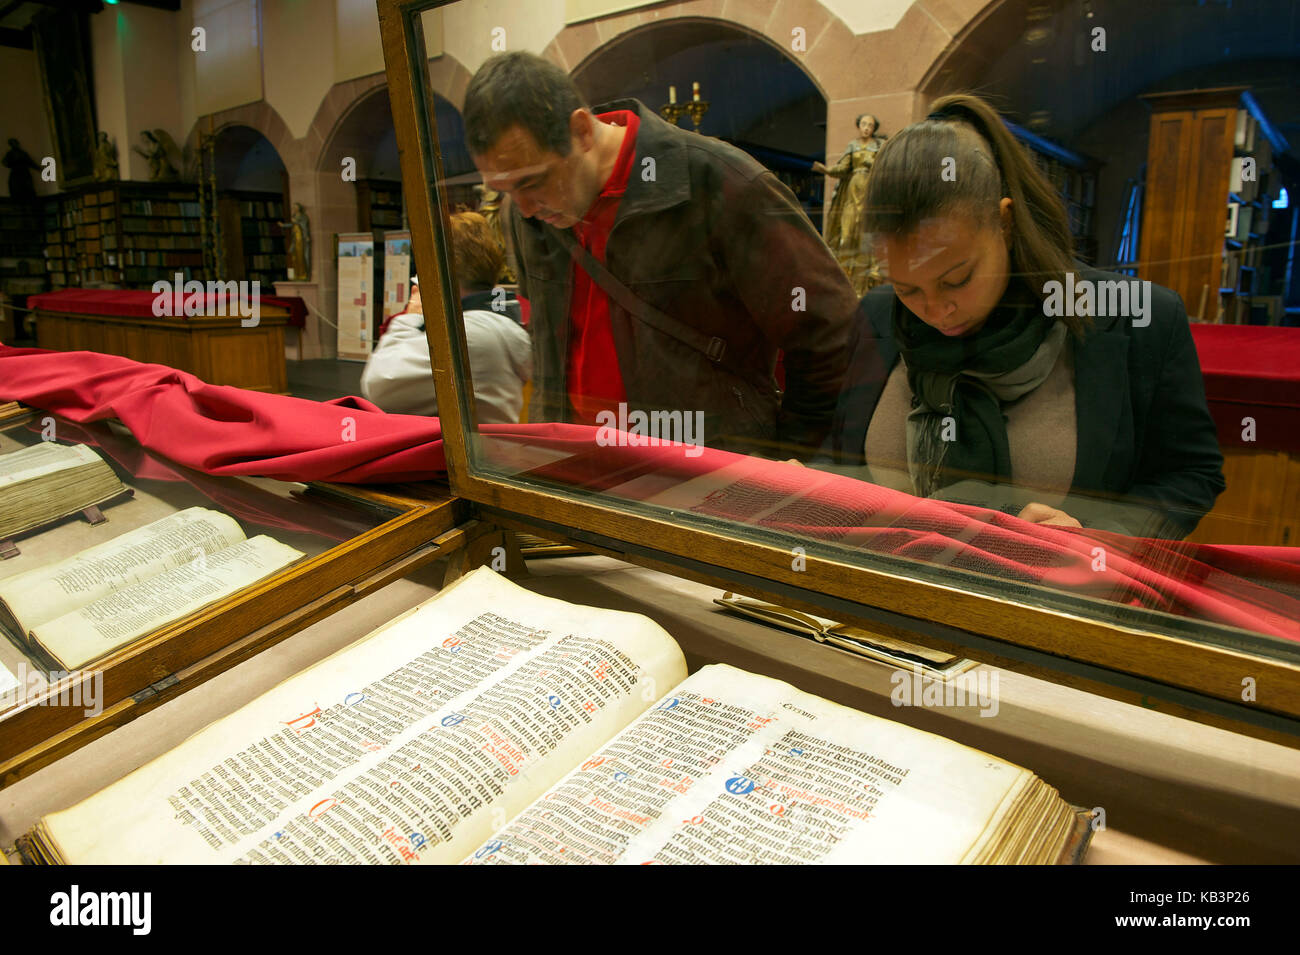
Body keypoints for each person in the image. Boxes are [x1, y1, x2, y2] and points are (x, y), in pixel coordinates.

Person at [827, 93, 1224, 539]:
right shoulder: (880, 314)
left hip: (1053, 596)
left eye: (957, 279)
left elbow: (1190, 476)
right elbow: (840, 457)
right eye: (908, 288)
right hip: (879, 584)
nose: (936, 310)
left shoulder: (1138, 317)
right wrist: (810, 481)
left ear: (1005, 222)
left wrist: (1098, 534)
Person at [461, 52, 858, 458]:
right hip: (574, 472)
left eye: (533, 182)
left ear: (581, 131)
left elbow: (832, 333)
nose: (523, 207)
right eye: (504, 190)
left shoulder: (719, 183)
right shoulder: (527, 215)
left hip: (702, 478)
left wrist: (784, 462)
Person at [361, 212, 531, 424]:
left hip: (468, 454)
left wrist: (411, 316)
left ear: (439, 270)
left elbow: (378, 383)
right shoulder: (494, 319)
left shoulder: (470, 332)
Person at [813, 114, 886, 297]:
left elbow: (885, 168)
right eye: (863, 124)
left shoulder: (878, 146)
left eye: (870, 125)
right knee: (845, 235)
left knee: (865, 237)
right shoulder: (852, 146)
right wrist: (826, 170)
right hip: (852, 193)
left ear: (874, 128)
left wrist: (875, 162)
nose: (866, 127)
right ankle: (843, 283)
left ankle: (862, 286)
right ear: (858, 126)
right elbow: (842, 168)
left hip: (869, 192)